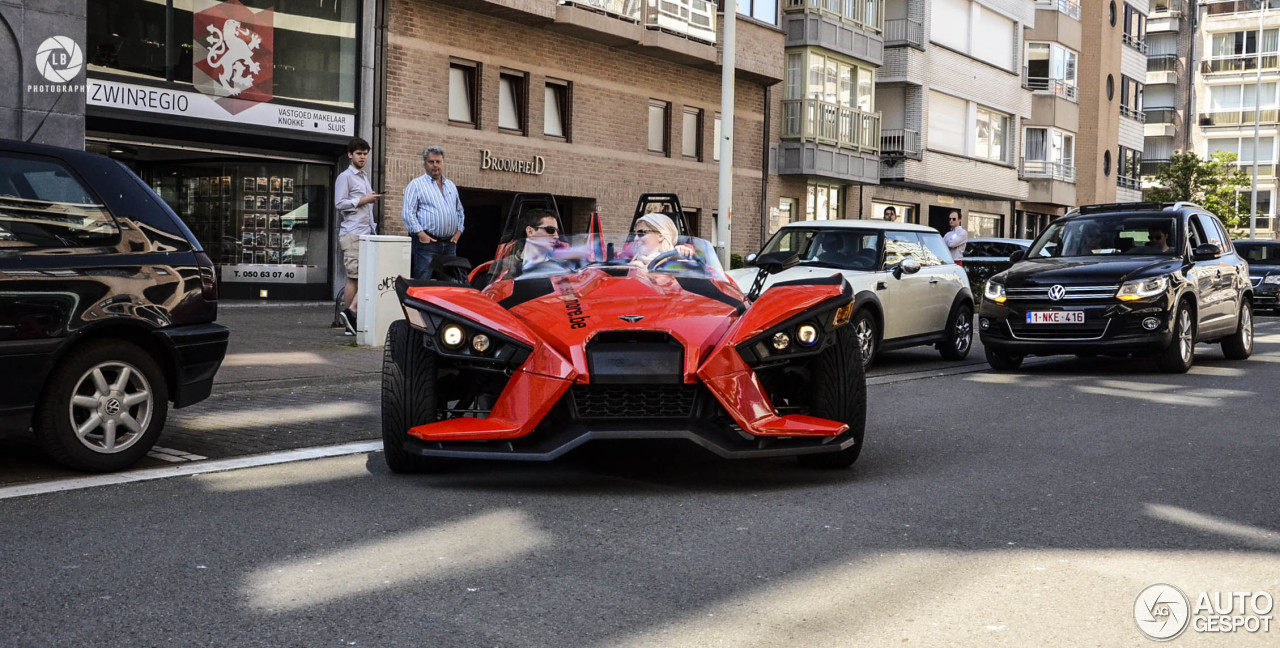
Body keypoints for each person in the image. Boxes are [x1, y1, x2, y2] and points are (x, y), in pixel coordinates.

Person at [333, 136, 382, 335]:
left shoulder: (364, 176)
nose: (362, 158)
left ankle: (350, 320)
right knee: (356, 277)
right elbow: (339, 203)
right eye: (359, 154)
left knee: (361, 277)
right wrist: (363, 200)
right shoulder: (345, 176)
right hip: (352, 233)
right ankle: (350, 317)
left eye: (365, 154)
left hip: (366, 232)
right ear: (350, 155)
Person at [402, 146, 465, 279]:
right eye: (431, 162)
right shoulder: (416, 185)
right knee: (423, 281)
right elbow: (408, 213)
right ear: (425, 163)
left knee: (450, 283)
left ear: (443, 162)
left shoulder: (451, 185)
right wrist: (421, 234)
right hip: (427, 245)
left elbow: (460, 211)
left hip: (450, 244)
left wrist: (459, 231)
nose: (435, 165)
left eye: (438, 161)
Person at [496, 209, 561, 279]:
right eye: (550, 230)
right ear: (530, 231)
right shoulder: (502, 266)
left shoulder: (561, 268)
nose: (556, 236)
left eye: (557, 231)